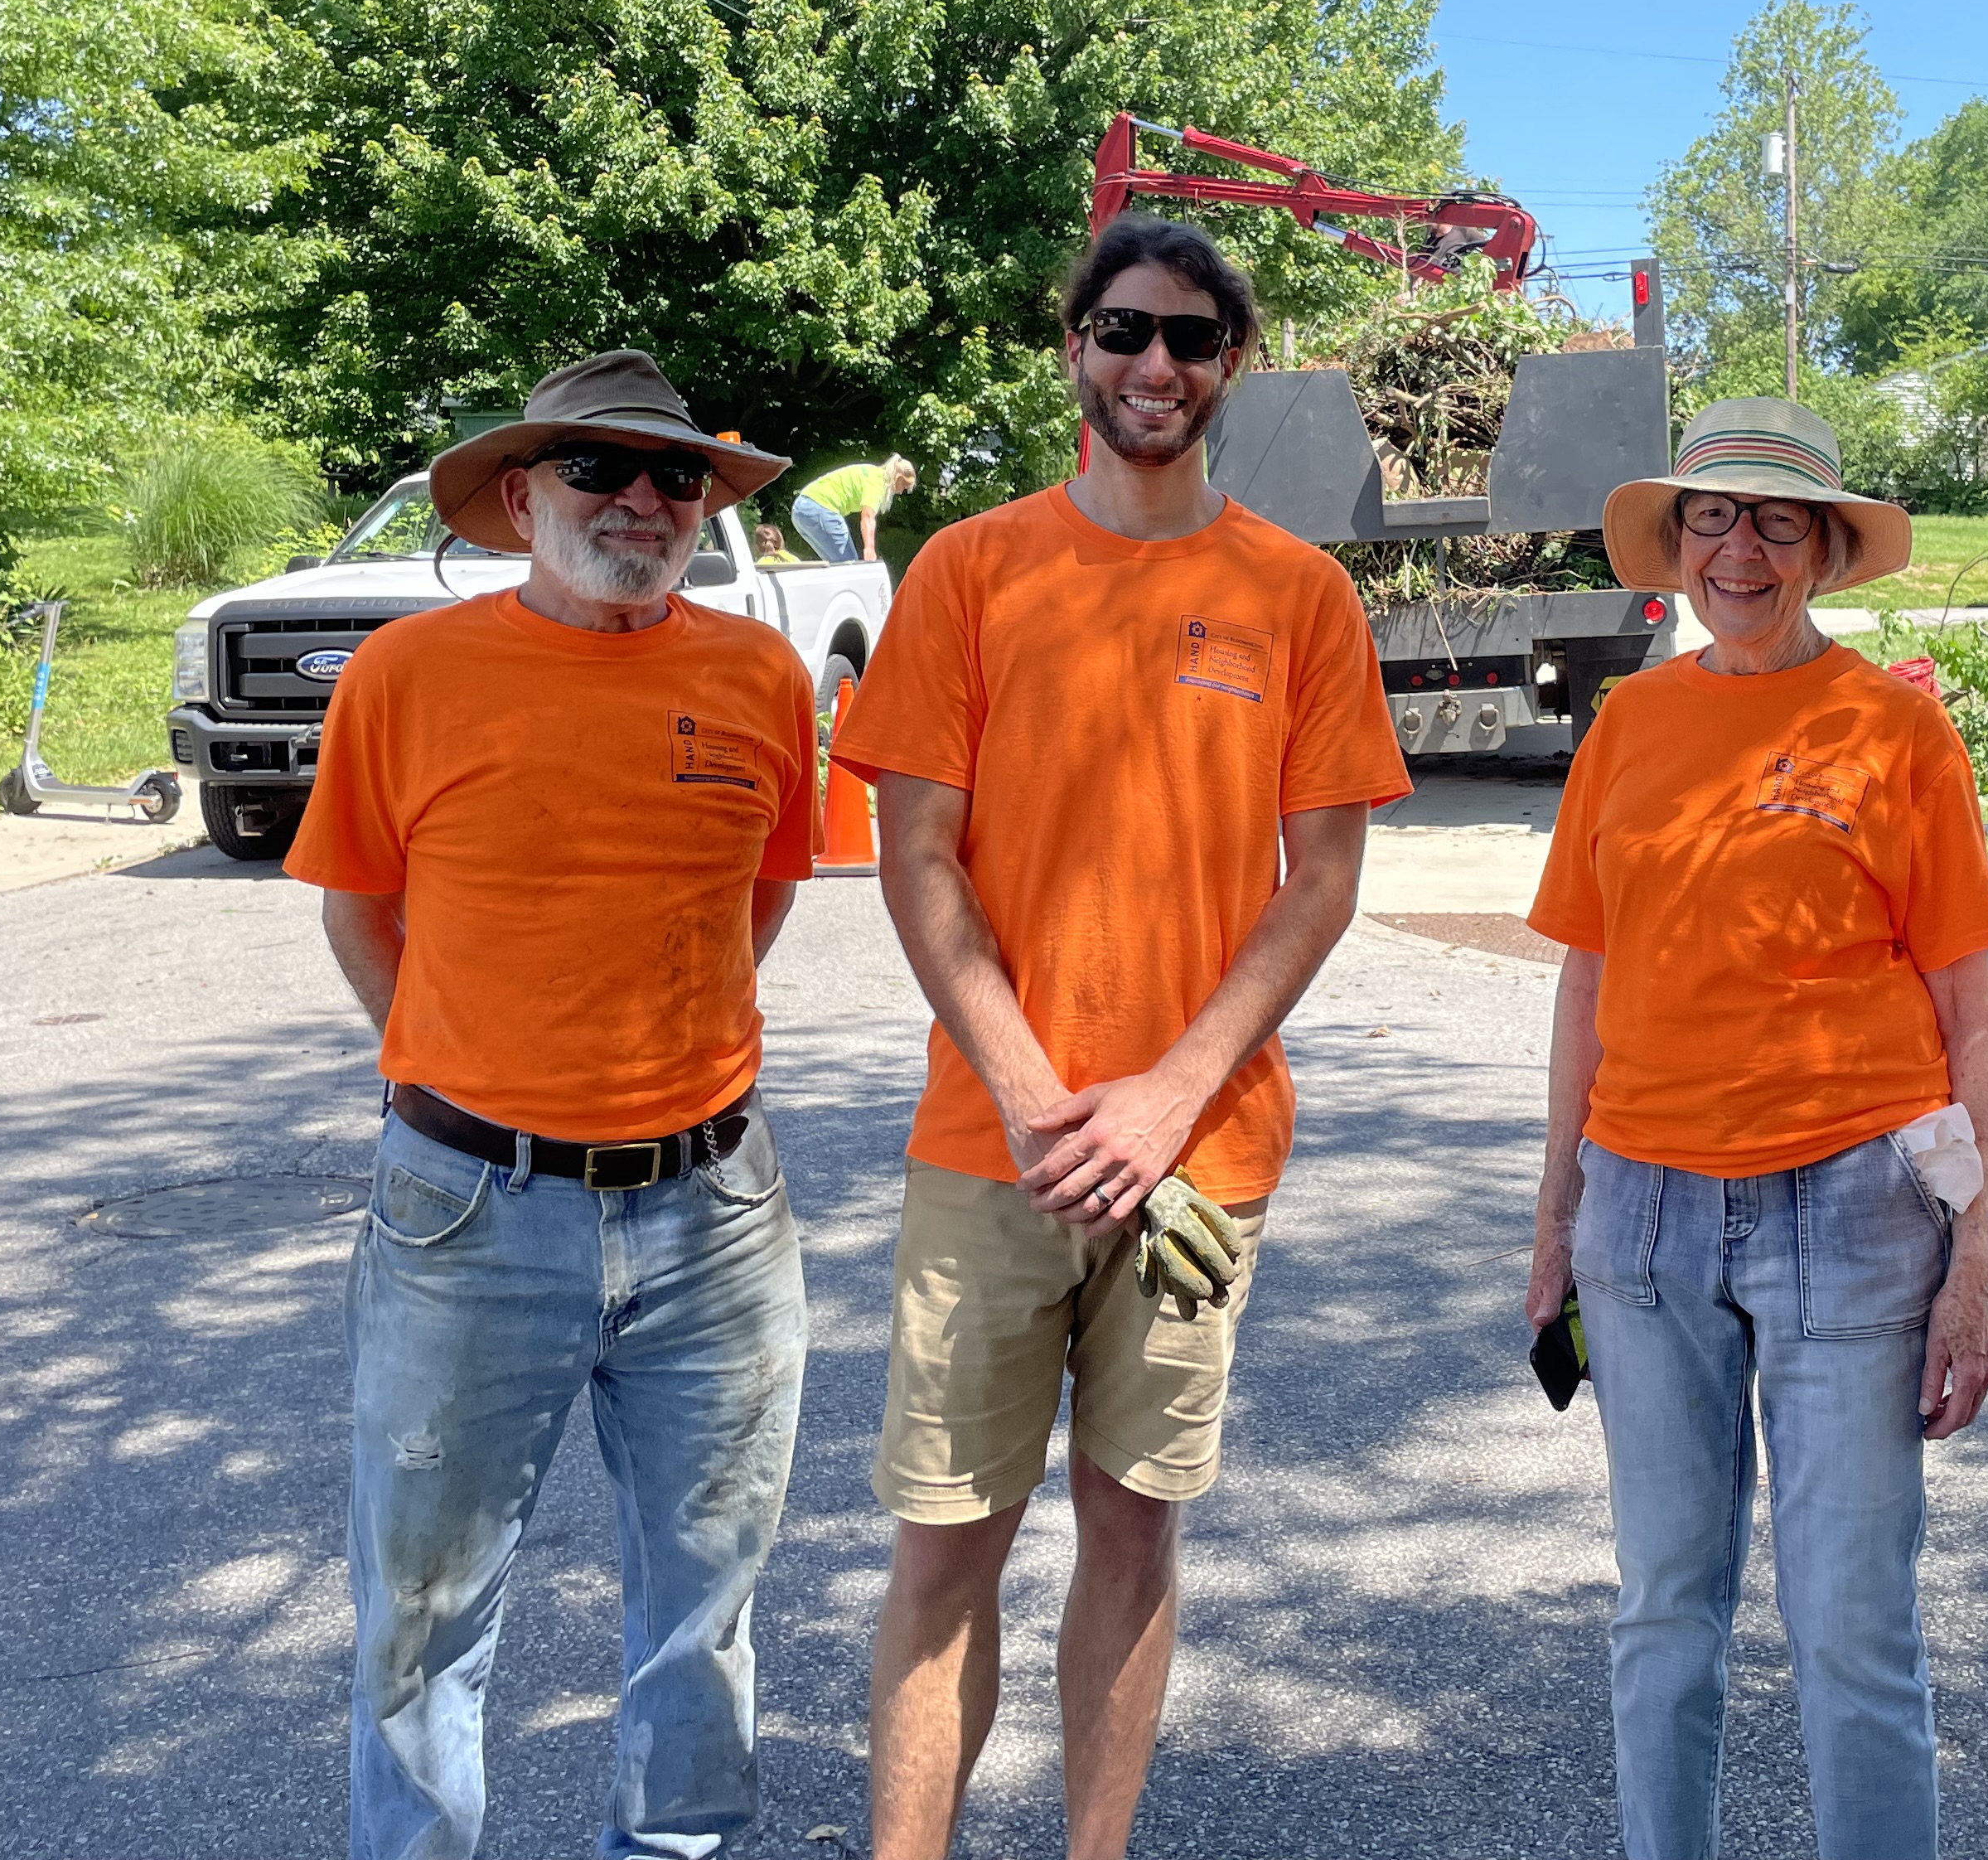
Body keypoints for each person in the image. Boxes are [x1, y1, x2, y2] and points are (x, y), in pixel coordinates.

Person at [837, 214, 1412, 1860]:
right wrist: (1035, 1090)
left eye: (1187, 338)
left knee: (1133, 1528)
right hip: (988, 1150)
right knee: (947, 1542)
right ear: (1074, 349)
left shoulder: (1295, 597)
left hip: (1199, 1159)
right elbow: (916, 852)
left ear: (1231, 366)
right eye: (1120, 330)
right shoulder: (972, 569)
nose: (1151, 364)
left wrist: (1162, 1098)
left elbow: (1321, 885)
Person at [287, 351, 822, 1860]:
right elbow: (359, 910)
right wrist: (470, 1075)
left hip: (714, 1213)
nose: (643, 498)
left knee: (701, 1612)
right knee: (422, 1617)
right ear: (521, 497)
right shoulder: (409, 675)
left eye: (676, 475)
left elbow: (759, 896)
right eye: (597, 466)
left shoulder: (760, 676)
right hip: (466, 1208)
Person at [1522, 395, 1988, 1860]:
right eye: (1711, 517)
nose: (1738, 546)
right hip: (1645, 1218)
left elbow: (1972, 1011)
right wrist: (1553, 1218)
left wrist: (1975, 1259)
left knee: (1853, 1621)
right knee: (1664, 1604)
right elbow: (1585, 983)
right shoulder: (1630, 722)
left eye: (1774, 520)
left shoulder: (1893, 727)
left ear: (1819, 548)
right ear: (1676, 545)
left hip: (1856, 1208)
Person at [794, 453, 917, 562]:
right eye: (904, 486)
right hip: (821, 507)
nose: (901, 492)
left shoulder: (871, 472)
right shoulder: (878, 482)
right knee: (849, 565)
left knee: (834, 565)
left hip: (800, 509)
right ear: (898, 478)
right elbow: (868, 517)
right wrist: (869, 548)